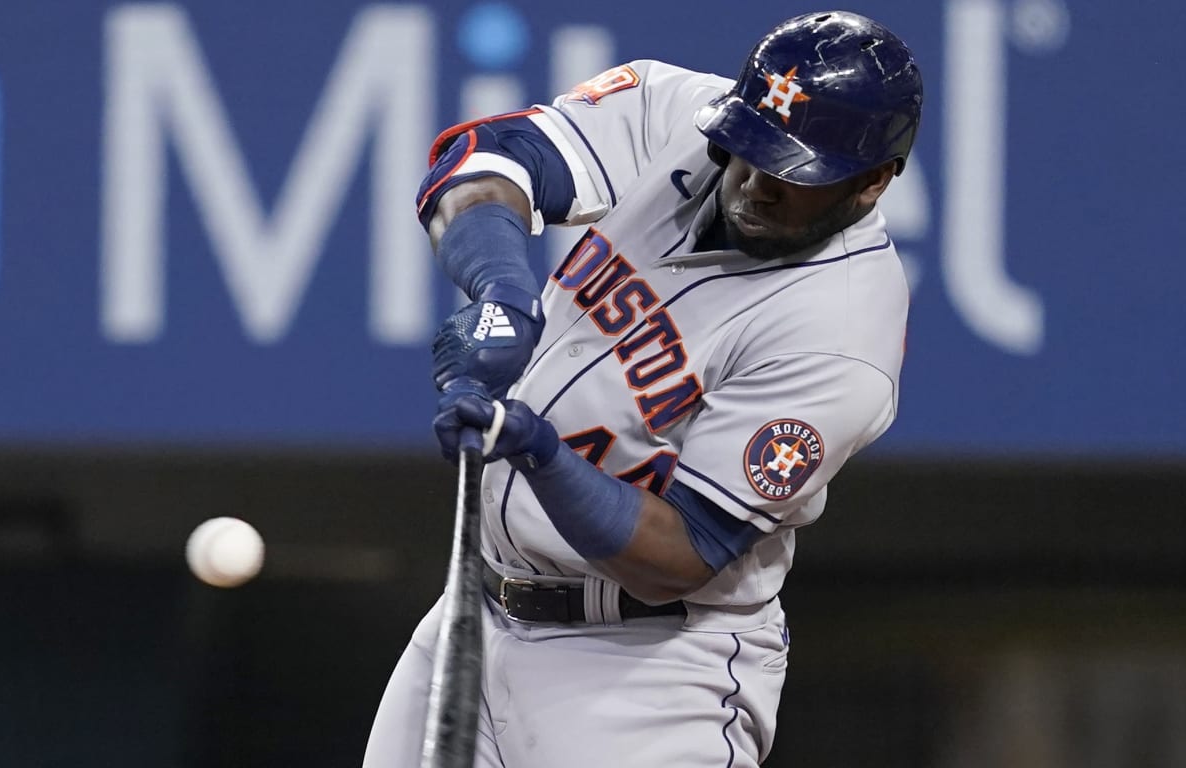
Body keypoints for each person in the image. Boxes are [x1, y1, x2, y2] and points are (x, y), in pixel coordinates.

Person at [364, 10, 922, 767]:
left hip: (648, 671)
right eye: (748, 148)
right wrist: (498, 286)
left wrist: (542, 456)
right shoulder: (680, 112)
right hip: (479, 606)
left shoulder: (841, 329)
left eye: (791, 174)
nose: (754, 182)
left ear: (872, 182)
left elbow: (684, 554)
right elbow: (483, 156)